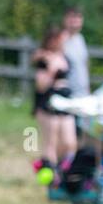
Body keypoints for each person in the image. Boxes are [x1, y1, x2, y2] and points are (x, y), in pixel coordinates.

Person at [33, 23, 76, 166]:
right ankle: (51, 173)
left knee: (69, 142)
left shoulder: (64, 57)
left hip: (65, 102)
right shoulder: (44, 59)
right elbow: (40, 86)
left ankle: (63, 169)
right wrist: (51, 71)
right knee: (51, 142)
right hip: (49, 103)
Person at [60, 6, 90, 98]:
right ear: (65, 19)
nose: (75, 20)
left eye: (78, 17)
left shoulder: (80, 39)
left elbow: (84, 64)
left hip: (82, 92)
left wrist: (88, 89)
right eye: (72, 17)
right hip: (66, 93)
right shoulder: (60, 40)